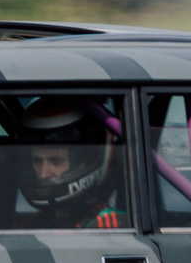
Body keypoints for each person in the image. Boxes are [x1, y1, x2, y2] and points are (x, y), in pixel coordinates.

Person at [13, 97, 129, 229]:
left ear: (85, 162)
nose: (43, 174)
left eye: (55, 161)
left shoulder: (108, 226)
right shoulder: (34, 223)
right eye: (37, 161)